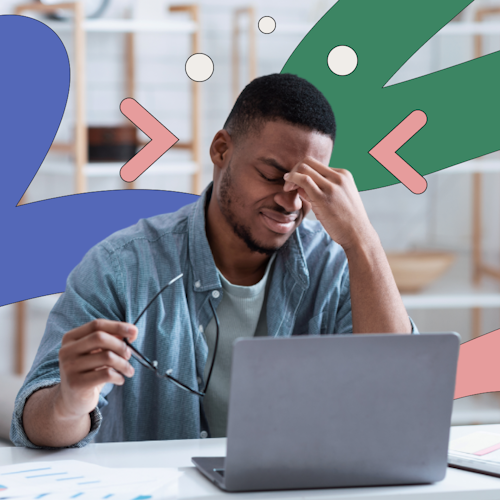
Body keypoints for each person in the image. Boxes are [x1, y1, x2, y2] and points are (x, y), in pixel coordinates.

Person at [11, 73, 417, 449]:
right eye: (273, 174)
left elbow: (402, 401)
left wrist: (363, 240)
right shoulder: (122, 267)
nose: (290, 201)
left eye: (308, 184)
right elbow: (35, 429)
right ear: (221, 150)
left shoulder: (338, 264)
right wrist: (70, 401)